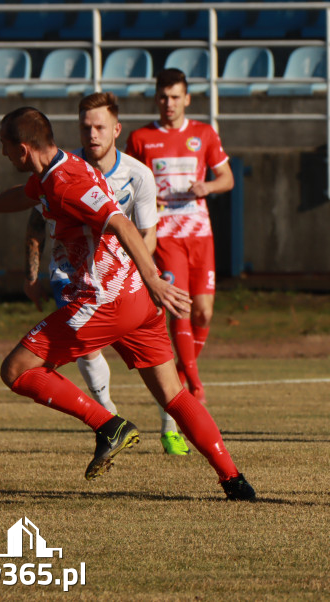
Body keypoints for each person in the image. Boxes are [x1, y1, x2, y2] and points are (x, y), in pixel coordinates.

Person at [0, 107, 255, 500]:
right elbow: (23, 196)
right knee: (174, 395)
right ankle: (234, 480)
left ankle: (108, 425)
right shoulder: (58, 170)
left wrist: (154, 277)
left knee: (16, 370)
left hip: (106, 300)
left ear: (22, 148)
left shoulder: (67, 181)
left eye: (3, 146)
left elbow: (119, 222)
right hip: (133, 299)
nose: (1, 154)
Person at [23, 92, 191, 456]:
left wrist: (138, 275)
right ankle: (109, 418)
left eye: (100, 127)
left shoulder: (138, 174)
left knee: (159, 366)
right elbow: (34, 216)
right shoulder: (64, 168)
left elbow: (144, 233)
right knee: (85, 352)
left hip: (127, 281)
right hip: (72, 278)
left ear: (117, 129)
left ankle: (168, 424)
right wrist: (31, 272)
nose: (92, 135)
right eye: (86, 127)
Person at [126, 69, 233, 403]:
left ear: (186, 99)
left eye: (175, 97)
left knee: (204, 312)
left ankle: (183, 371)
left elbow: (227, 178)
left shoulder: (204, 134)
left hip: (200, 233)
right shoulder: (141, 138)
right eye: (162, 97)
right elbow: (128, 182)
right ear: (155, 98)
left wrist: (208, 186)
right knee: (181, 307)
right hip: (166, 233)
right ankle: (195, 385)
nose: (168, 103)